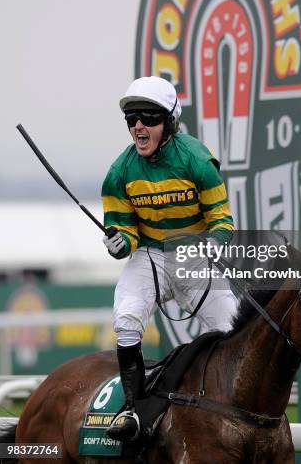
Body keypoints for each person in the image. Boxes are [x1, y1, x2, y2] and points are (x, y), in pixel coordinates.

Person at [102, 75, 237, 442]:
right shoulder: (119, 173)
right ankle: (131, 411)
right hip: (150, 258)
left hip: (193, 257)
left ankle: (232, 411)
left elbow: (222, 221)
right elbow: (124, 229)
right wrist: (119, 242)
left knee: (230, 330)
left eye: (148, 117)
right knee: (126, 318)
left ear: (170, 122)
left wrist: (212, 245)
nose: (138, 126)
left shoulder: (198, 161)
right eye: (132, 119)